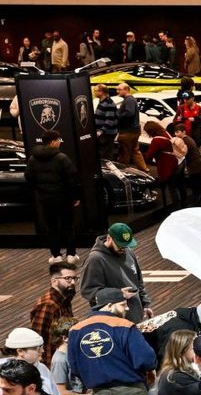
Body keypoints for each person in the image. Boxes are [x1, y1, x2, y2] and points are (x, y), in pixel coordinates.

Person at [25, 130, 80, 264]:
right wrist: (75, 197)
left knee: (51, 227)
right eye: (58, 140)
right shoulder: (62, 158)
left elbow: (29, 178)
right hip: (64, 199)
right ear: (53, 142)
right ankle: (71, 254)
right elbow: (73, 179)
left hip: (46, 199)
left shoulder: (33, 159)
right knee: (68, 226)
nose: (60, 142)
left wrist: (40, 190)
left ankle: (56, 256)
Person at [79, 221, 148, 323]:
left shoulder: (128, 251)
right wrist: (117, 294)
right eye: (120, 245)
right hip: (112, 319)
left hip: (135, 314)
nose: (123, 248)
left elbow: (138, 281)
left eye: (126, 245)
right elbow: (87, 290)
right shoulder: (95, 259)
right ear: (109, 238)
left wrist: (145, 304)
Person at [29, 260, 77, 356]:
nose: (73, 282)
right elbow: (38, 339)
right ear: (54, 281)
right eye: (68, 278)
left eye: (74, 278)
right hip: (51, 359)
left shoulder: (65, 299)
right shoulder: (48, 305)